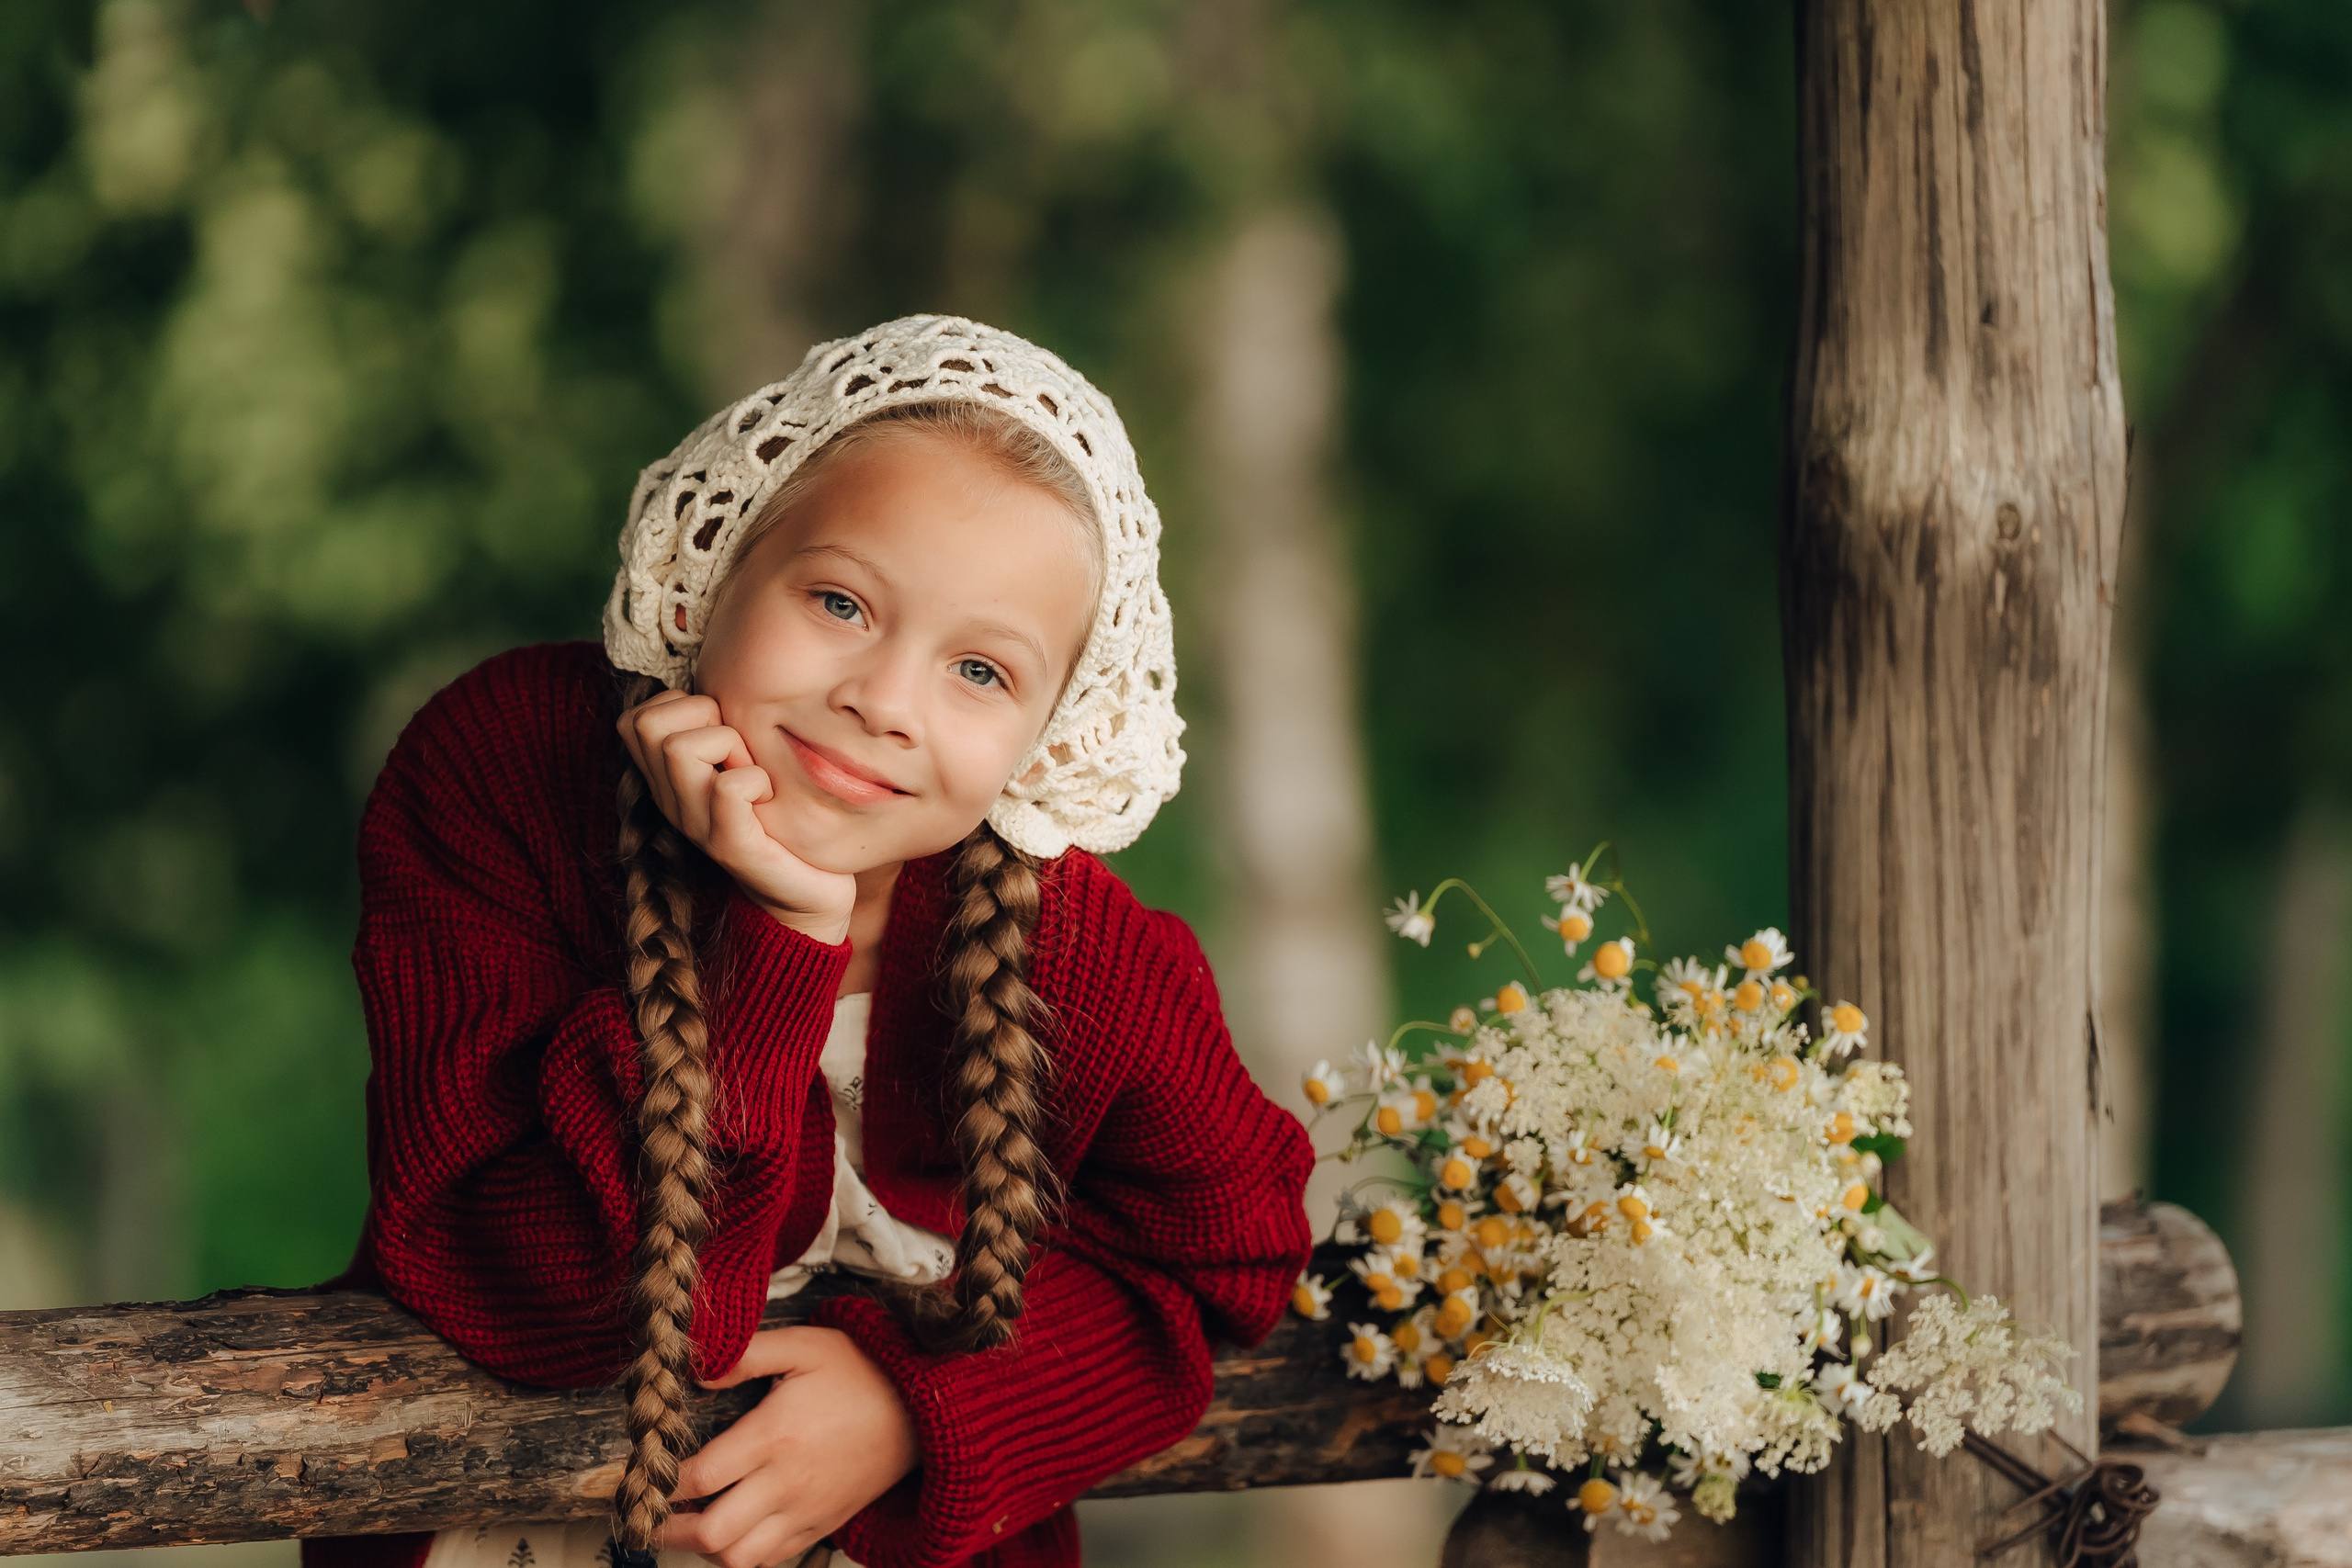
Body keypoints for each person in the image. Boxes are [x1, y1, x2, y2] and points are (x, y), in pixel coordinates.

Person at [304, 317, 1314, 1568]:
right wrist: (774, 941)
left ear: (1047, 738)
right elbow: (534, 1299)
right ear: (720, 564)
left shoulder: (1078, 954)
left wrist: (917, 1412)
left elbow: (1232, 1259)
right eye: (840, 602)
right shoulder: (511, 771)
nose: (883, 703)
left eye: (983, 673)